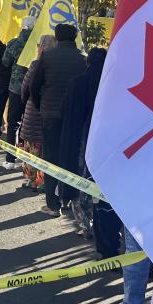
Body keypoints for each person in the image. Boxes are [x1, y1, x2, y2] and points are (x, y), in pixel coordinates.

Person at [28, 23, 86, 217]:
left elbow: (34, 86)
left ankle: (53, 204)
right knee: (70, 158)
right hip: (74, 117)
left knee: (51, 158)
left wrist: (40, 105)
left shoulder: (47, 57)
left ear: (57, 37)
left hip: (50, 115)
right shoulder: (82, 59)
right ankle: (69, 198)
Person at [57, 48, 108, 237]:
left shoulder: (78, 83)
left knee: (79, 182)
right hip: (105, 144)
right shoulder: (110, 85)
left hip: (79, 141)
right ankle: (104, 227)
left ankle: (86, 225)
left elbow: (64, 110)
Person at [18, 35, 56, 191]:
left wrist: (27, 100)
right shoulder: (56, 67)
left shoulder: (35, 65)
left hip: (33, 111)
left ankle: (32, 180)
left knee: (31, 148)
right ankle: (43, 181)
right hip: (50, 113)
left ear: (41, 47)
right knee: (45, 150)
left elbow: (25, 88)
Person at [0, 16, 35, 171]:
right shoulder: (39, 43)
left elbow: (5, 62)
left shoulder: (14, 43)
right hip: (34, 89)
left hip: (16, 87)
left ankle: (10, 158)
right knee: (31, 124)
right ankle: (27, 159)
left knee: (13, 122)